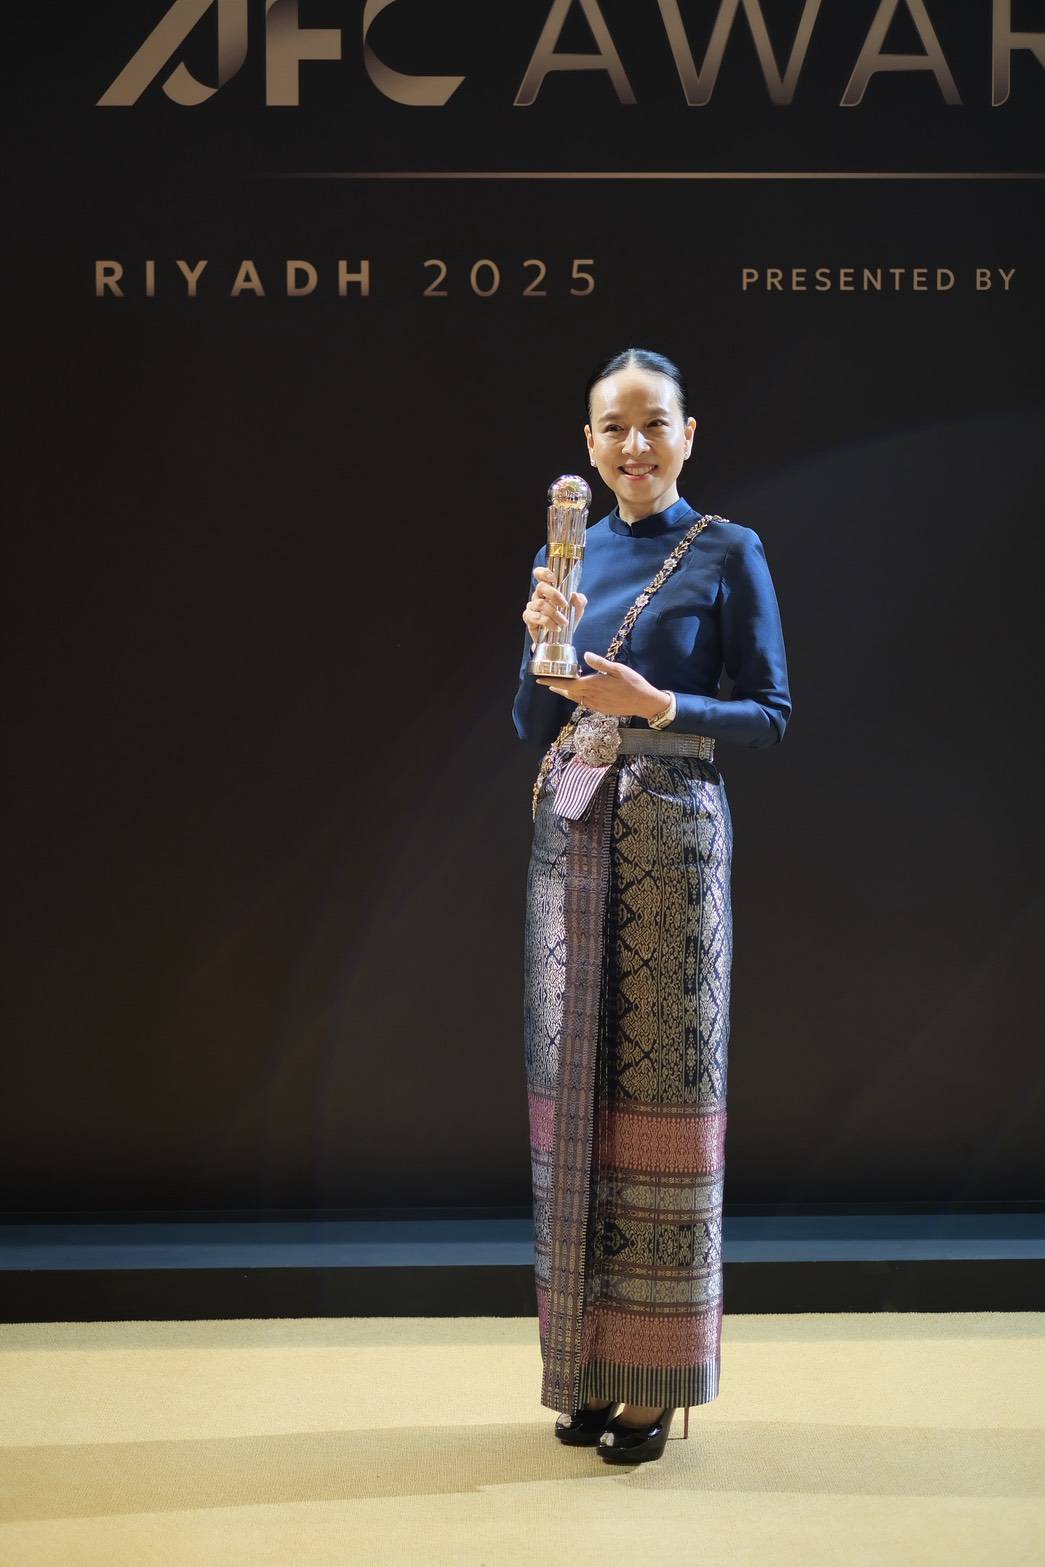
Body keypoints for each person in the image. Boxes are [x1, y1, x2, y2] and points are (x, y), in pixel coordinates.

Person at [512, 347, 791, 1465]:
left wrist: (659, 702)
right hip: (569, 837)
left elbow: (770, 712)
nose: (634, 445)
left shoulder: (727, 549)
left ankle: (653, 1380)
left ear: (687, 434)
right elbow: (529, 724)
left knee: (662, 1102)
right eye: (613, 428)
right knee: (569, 1092)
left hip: (674, 837)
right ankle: (585, 1364)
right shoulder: (564, 554)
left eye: (653, 424)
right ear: (588, 446)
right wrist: (537, 643)